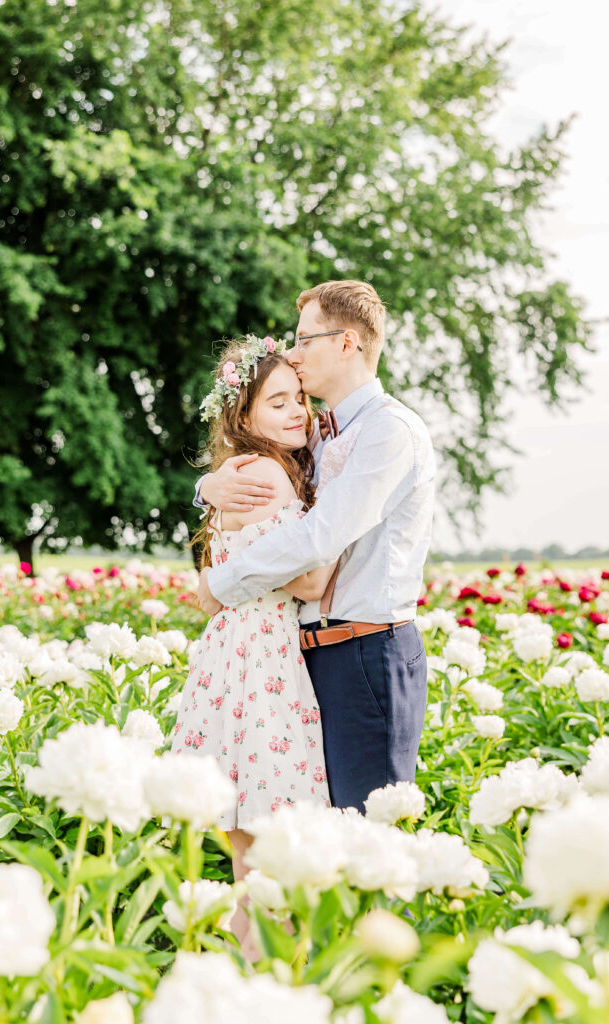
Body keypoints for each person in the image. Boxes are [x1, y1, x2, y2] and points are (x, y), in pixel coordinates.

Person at [195, 280, 436, 815]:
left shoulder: (388, 431)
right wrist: (206, 489)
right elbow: (263, 478)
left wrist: (221, 584)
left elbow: (317, 536)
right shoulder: (317, 432)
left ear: (347, 342)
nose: (294, 353)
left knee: (367, 835)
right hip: (308, 655)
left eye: (305, 340)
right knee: (317, 837)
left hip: (367, 651)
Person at [171, 335, 333, 958]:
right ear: (244, 416)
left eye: (300, 399)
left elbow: (220, 578)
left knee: (249, 859)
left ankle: (241, 979)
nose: (297, 412)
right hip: (261, 662)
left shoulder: (243, 468)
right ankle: (266, 982)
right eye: (279, 403)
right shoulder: (264, 472)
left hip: (233, 655)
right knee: (273, 854)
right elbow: (310, 577)